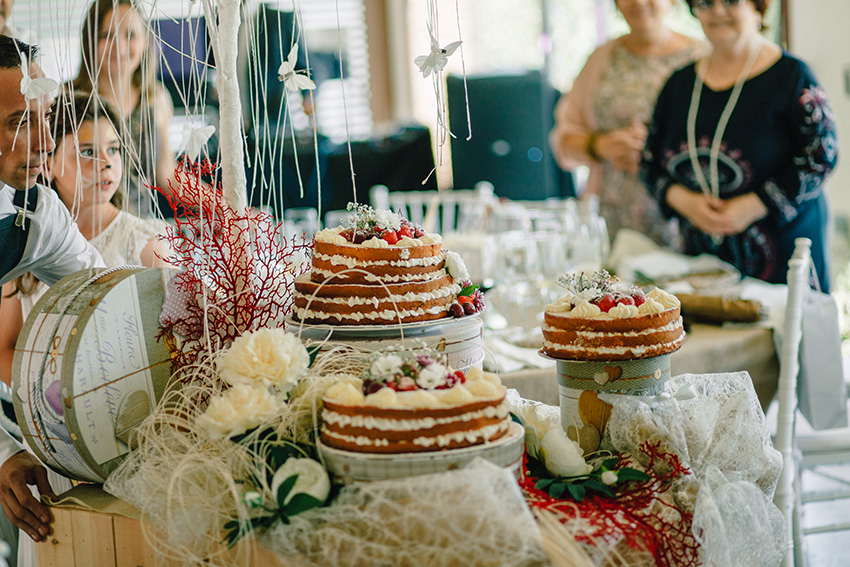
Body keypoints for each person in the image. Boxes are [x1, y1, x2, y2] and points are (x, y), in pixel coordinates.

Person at [641, 0, 837, 291]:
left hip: (783, 263)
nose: (718, 11)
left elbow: (821, 157)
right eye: (705, 2)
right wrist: (685, 201)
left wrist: (756, 204)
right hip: (703, 266)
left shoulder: (792, 77)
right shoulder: (679, 84)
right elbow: (648, 161)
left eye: (731, 1)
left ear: (758, 6)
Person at [0, 35, 103, 552]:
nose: (45, 141)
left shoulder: (34, 211)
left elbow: (104, 291)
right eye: (19, 122)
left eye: (47, 116)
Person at [549, 0, 704, 246]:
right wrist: (600, 145)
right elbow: (563, 141)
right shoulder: (601, 58)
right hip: (608, 220)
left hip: (681, 220)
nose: (639, 2)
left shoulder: (701, 58)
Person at [72, 0, 177, 218]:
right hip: (87, 231)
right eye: (106, 36)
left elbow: (168, 175)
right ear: (90, 41)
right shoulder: (69, 99)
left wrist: (228, 209)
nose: (119, 48)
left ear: (145, 42)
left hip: (143, 230)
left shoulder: (155, 98)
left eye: (130, 35)